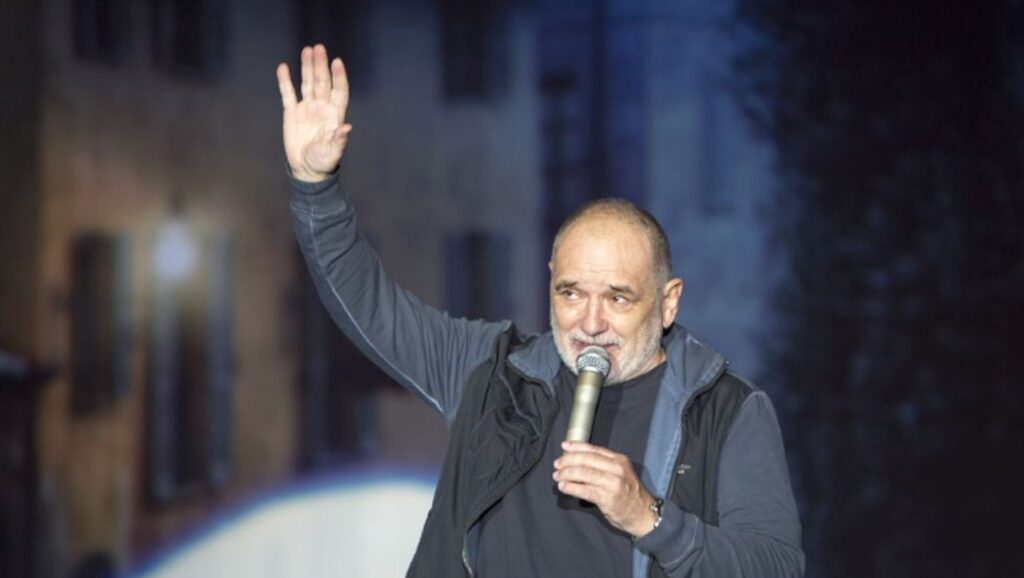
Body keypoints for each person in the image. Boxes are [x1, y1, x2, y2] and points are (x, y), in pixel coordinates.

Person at [277, 44, 804, 578]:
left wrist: (650, 517)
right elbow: (370, 306)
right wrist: (315, 188)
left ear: (668, 301)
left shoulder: (728, 411)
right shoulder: (492, 374)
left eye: (618, 298)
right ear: (549, 279)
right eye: (571, 293)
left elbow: (777, 567)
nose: (590, 324)